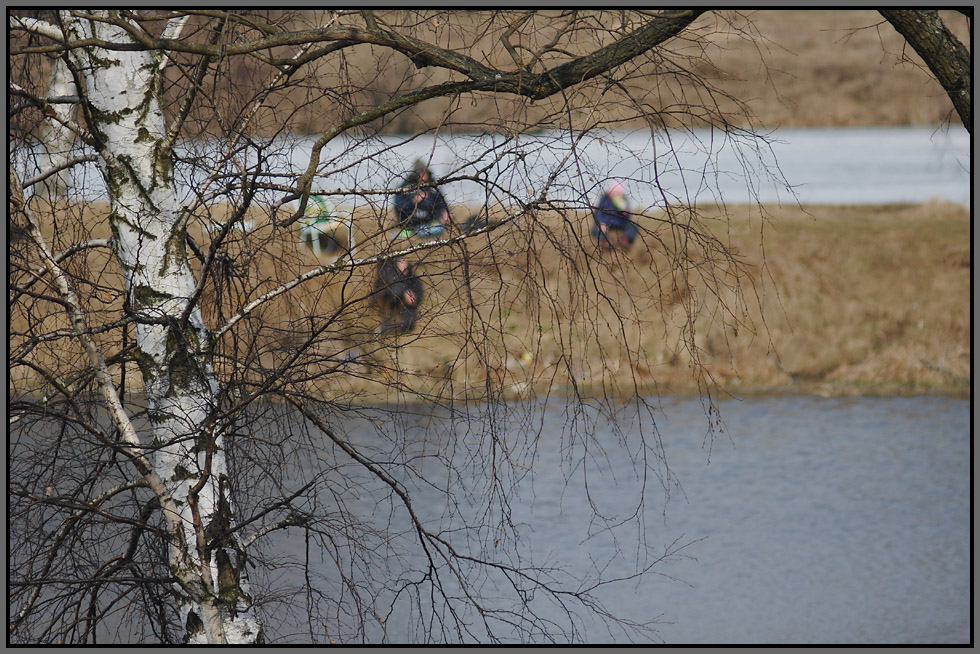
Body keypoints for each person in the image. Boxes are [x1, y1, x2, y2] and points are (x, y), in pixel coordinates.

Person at [393, 159, 452, 238]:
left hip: (429, 222)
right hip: (410, 222)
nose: (423, 177)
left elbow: (440, 203)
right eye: (421, 174)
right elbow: (398, 206)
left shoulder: (432, 186)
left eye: (425, 173)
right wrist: (414, 201)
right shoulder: (406, 187)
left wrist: (444, 213)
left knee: (438, 228)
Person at [373, 256, 424, 334]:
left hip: (406, 309)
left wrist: (413, 299)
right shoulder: (388, 276)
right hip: (389, 307)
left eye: (404, 262)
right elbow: (382, 291)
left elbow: (419, 292)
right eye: (400, 263)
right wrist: (402, 294)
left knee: (408, 322)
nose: (403, 265)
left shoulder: (412, 277)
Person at [591, 181, 638, 250]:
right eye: (614, 192)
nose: (616, 194)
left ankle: (625, 240)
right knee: (596, 229)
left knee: (633, 225)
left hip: (620, 223)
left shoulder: (624, 200)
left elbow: (628, 217)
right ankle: (606, 241)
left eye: (618, 193)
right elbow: (598, 213)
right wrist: (602, 223)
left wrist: (625, 211)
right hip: (607, 223)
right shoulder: (605, 199)